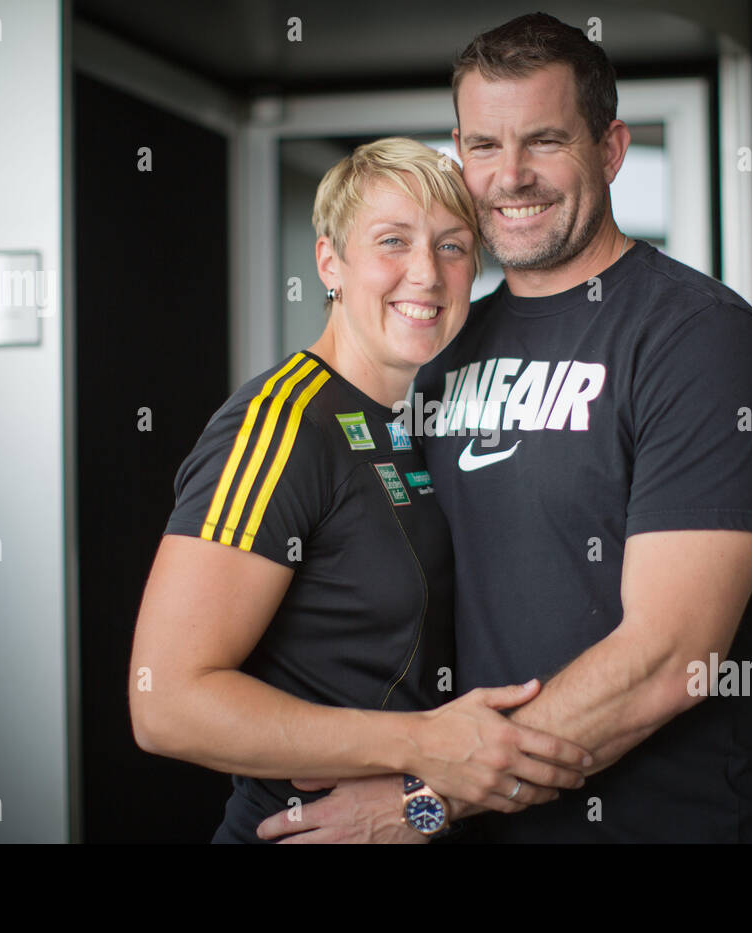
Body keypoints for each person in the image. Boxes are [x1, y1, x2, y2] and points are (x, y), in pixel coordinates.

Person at [256, 13, 752, 843]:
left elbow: (670, 657)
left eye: (544, 141)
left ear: (611, 149)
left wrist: (424, 797)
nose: (510, 177)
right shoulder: (440, 351)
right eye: (484, 146)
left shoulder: (702, 342)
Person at [127, 136, 593, 844]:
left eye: (452, 247)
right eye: (392, 242)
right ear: (329, 263)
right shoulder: (280, 424)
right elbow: (165, 704)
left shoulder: (406, 421)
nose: (426, 275)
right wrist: (418, 743)